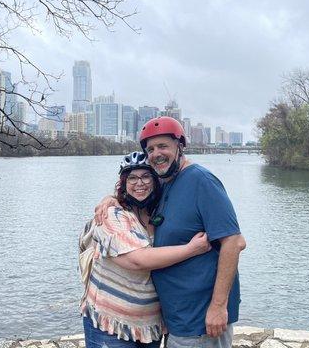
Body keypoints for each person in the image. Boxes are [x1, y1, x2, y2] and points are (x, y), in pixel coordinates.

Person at [95, 117, 246, 348]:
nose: (157, 153)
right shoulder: (165, 182)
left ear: (180, 146)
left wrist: (218, 307)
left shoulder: (201, 181)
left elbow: (234, 242)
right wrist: (112, 198)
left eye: (163, 146)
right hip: (176, 317)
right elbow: (138, 191)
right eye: (151, 149)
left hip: (200, 319)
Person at [80, 151, 211, 348]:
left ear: (156, 180)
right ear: (123, 183)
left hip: (150, 325)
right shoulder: (111, 215)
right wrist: (192, 249)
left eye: (145, 176)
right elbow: (137, 260)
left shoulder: (162, 212)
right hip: (110, 322)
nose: (139, 183)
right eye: (132, 177)